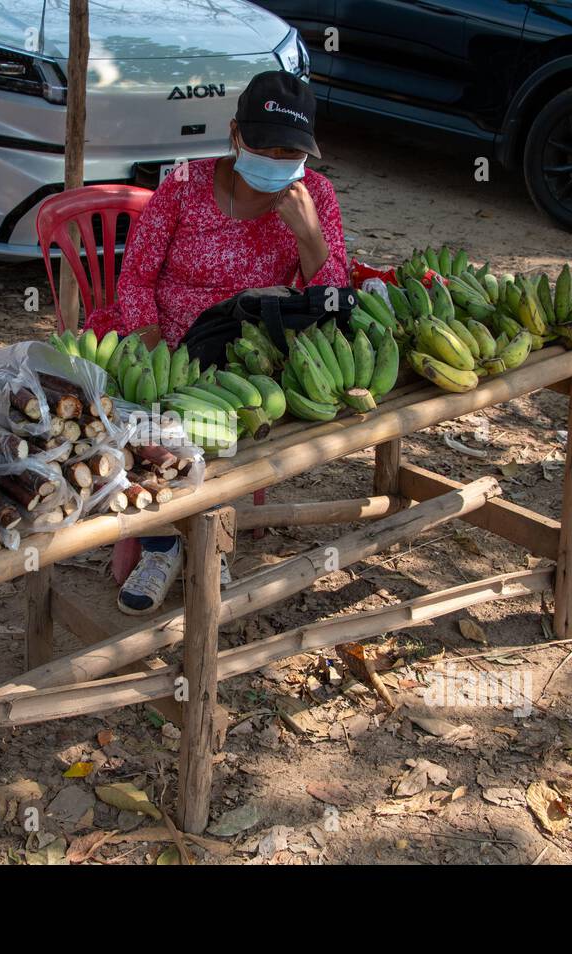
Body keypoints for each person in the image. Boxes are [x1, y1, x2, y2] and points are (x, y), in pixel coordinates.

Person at [88, 70, 349, 614]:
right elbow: (135, 276)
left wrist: (309, 235)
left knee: (242, 421)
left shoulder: (315, 196)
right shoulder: (184, 183)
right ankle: (161, 544)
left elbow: (330, 309)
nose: (277, 160)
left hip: (249, 358)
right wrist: (155, 348)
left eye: (290, 151)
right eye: (264, 146)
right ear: (235, 135)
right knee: (147, 418)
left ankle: (210, 539)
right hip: (163, 342)